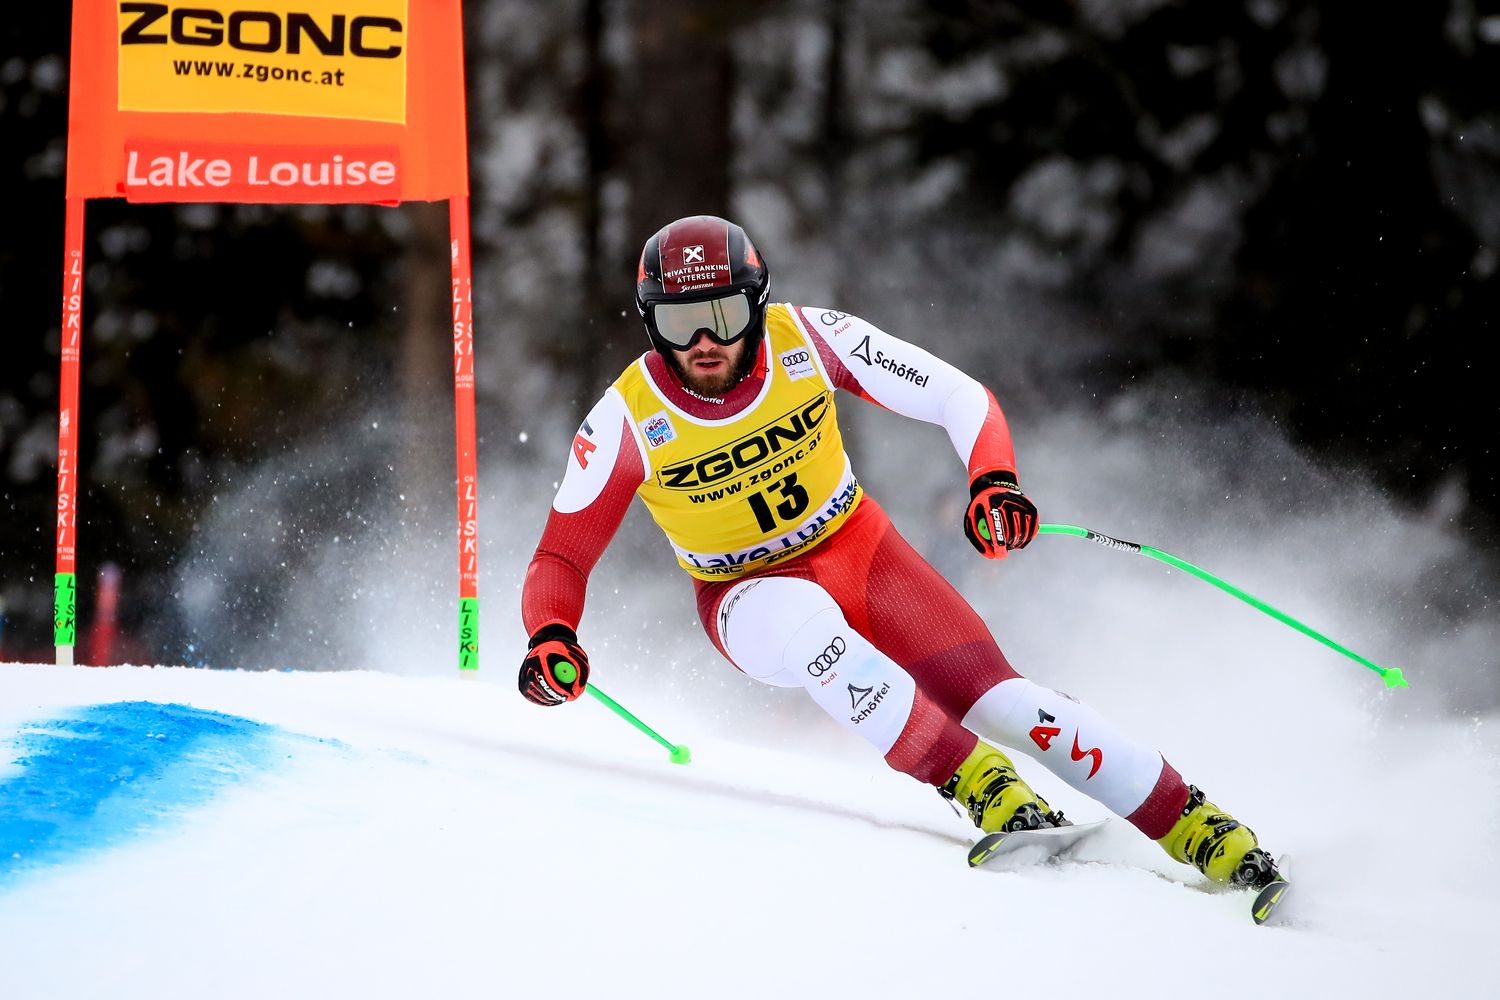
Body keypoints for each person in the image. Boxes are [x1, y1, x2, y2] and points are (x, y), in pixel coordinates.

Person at [518, 214, 1281, 889]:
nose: (706, 342)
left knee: (1003, 700)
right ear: (653, 324)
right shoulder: (625, 416)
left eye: (722, 314)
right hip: (744, 594)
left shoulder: (809, 340)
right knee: (815, 629)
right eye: (681, 323)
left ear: (755, 303)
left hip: (863, 548)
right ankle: (982, 786)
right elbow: (560, 558)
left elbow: (959, 396)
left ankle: (1198, 826)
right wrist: (552, 634)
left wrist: (993, 482)